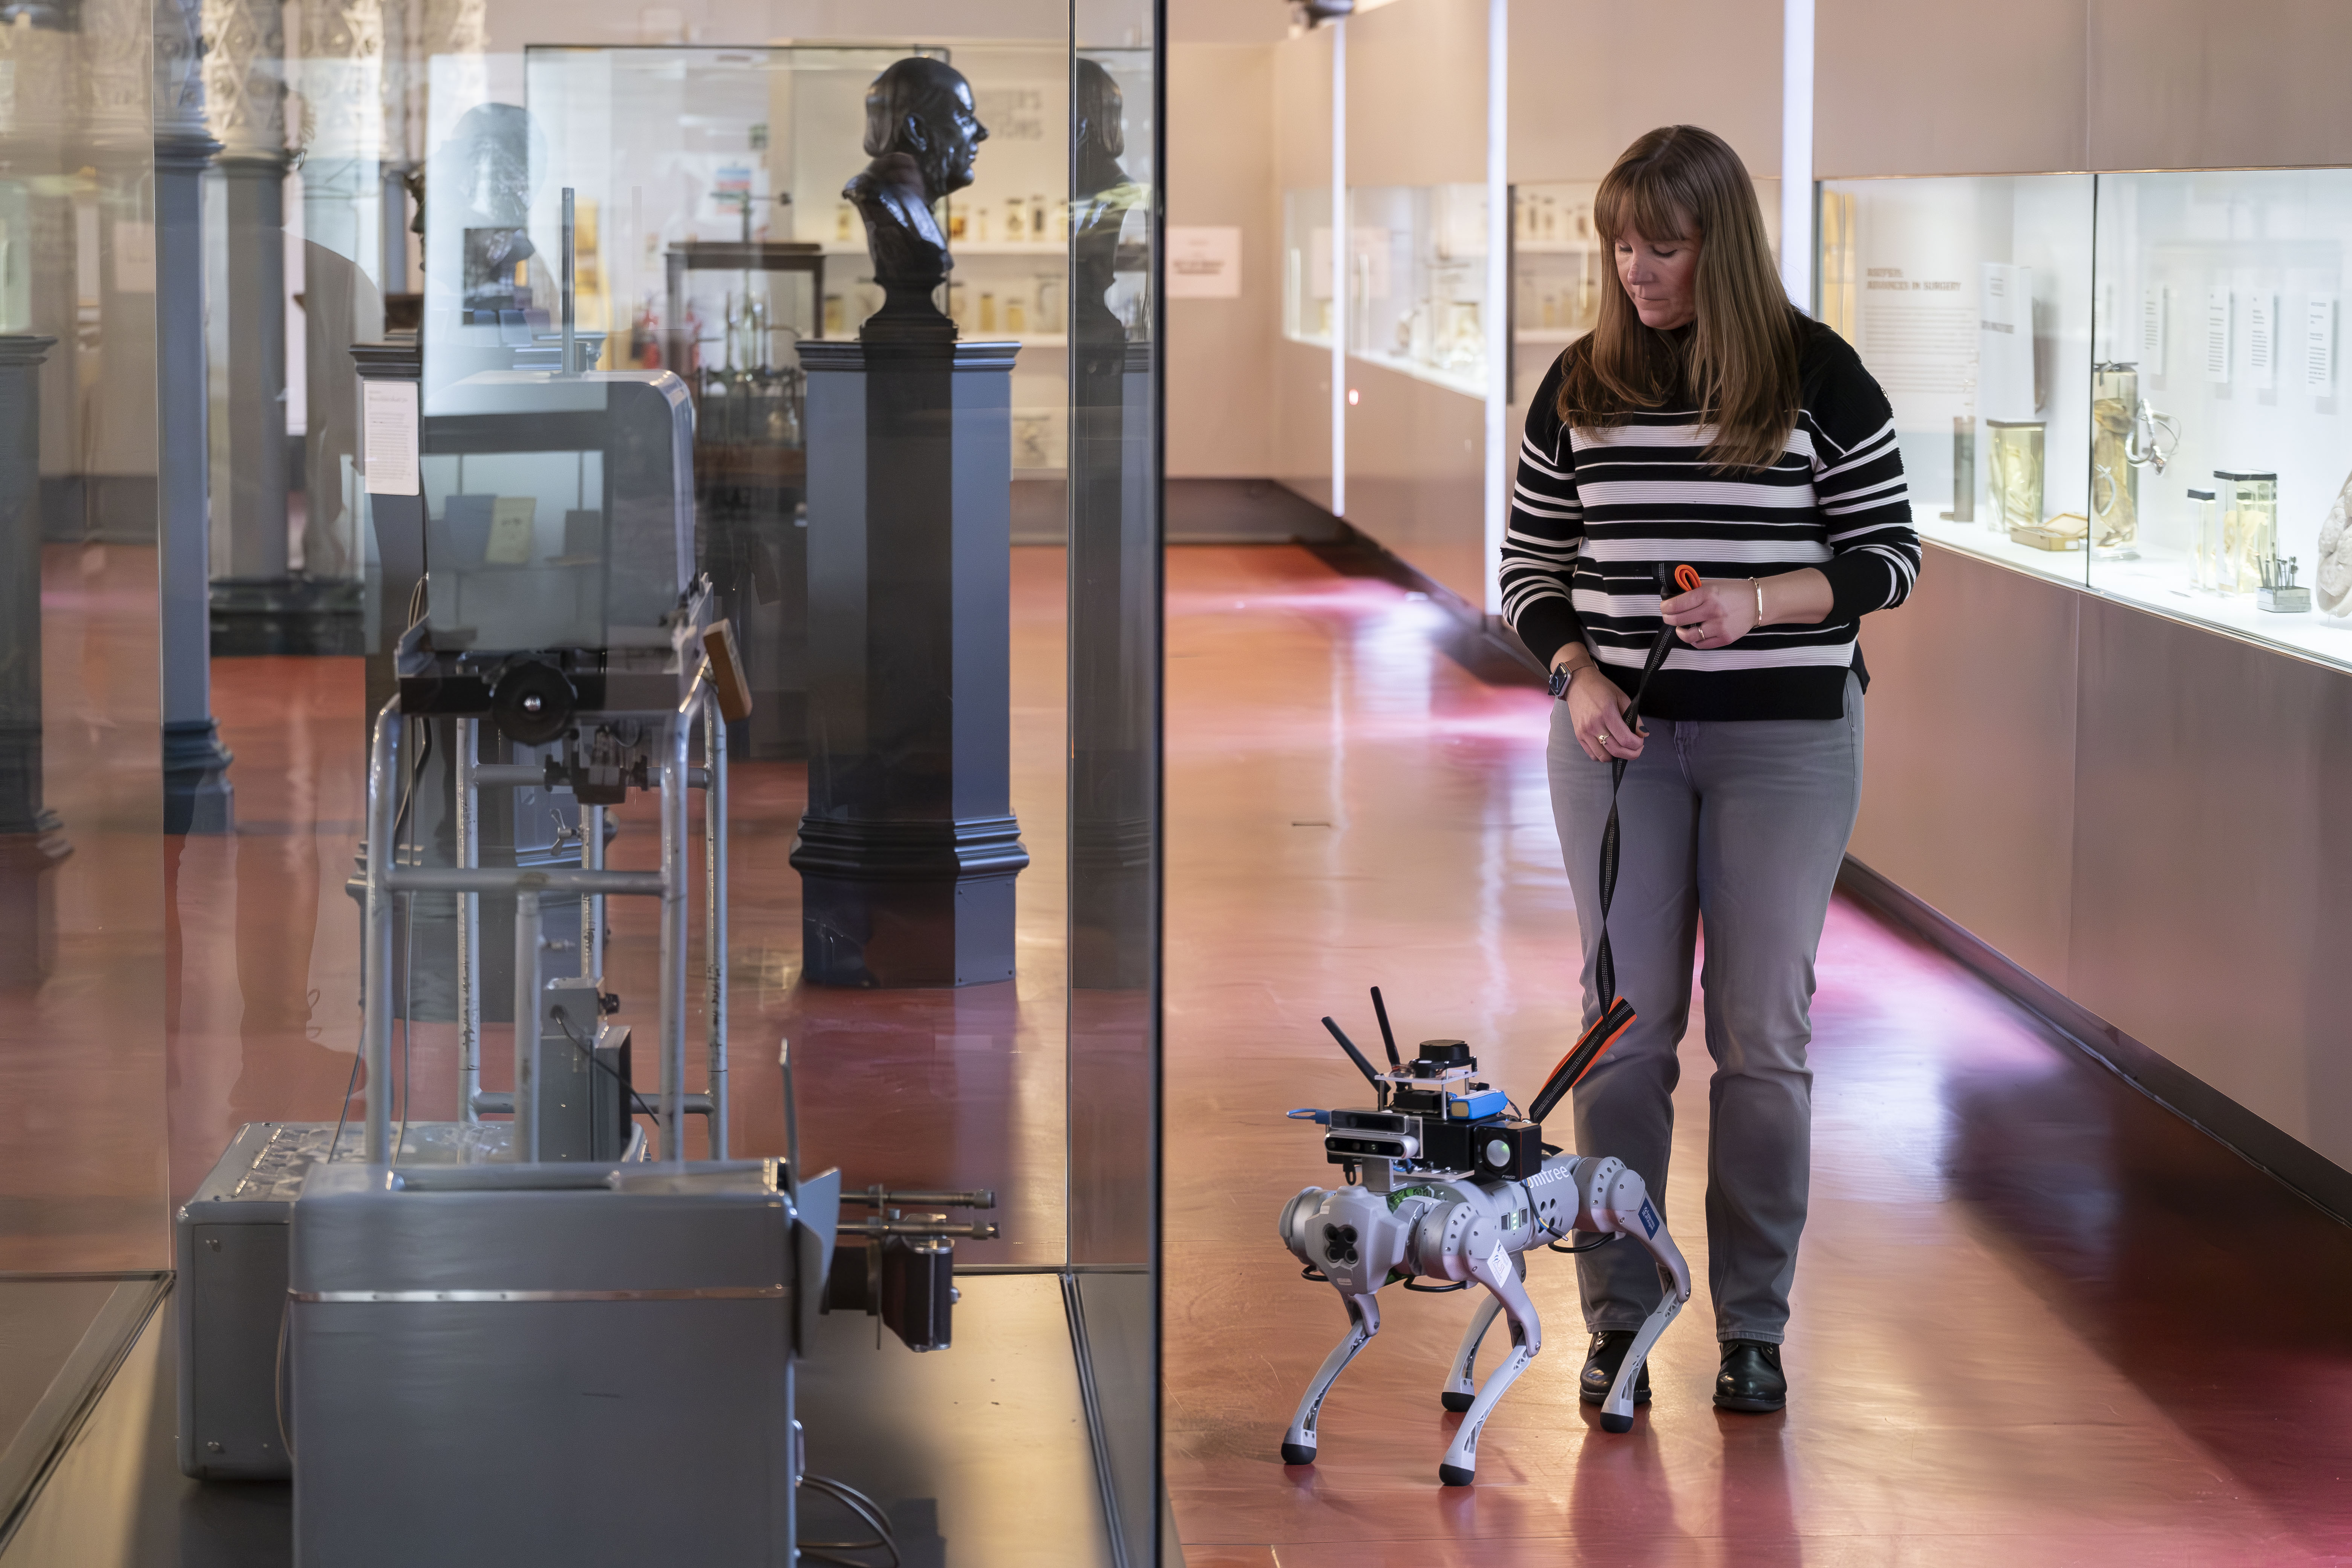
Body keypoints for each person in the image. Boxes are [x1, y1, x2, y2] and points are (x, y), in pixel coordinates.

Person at [1499, 124, 1919, 1414]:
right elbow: (1527, 573)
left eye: (1664, 246)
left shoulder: (1819, 378)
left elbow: (1889, 560)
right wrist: (1578, 675)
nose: (1636, 270)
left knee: (1763, 1039)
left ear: (1719, 246)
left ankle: (1752, 1327)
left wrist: (1760, 601)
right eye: (1620, 244)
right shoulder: (1578, 385)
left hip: (1785, 747)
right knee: (1624, 1039)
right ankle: (1618, 1319)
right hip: (1620, 750)